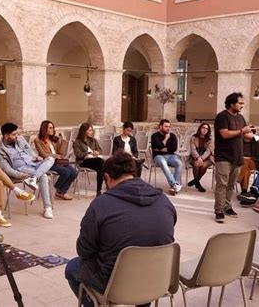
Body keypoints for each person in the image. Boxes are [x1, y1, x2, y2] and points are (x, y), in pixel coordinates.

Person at [64, 151, 176, 307]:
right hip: (158, 279)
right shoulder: (164, 201)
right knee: (148, 254)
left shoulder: (101, 205)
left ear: (108, 178)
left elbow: (84, 251)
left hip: (116, 286)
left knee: (73, 267)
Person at [0, 122, 55, 219]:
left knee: (51, 159)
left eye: (17, 134)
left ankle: (34, 178)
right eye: (14, 134)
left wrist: (35, 157)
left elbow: (30, 151)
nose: (17, 136)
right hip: (22, 169)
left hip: (34, 163)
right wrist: (20, 175)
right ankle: (48, 208)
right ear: (6, 136)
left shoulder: (20, 139)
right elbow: (7, 169)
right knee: (43, 176)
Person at [213, 92, 255, 223]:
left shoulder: (240, 118)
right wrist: (242, 131)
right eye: (240, 103)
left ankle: (227, 206)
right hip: (223, 156)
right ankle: (219, 210)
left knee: (231, 185)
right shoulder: (222, 117)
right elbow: (225, 134)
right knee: (222, 184)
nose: (242, 105)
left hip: (237, 156)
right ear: (231, 103)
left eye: (243, 103)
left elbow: (246, 136)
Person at [151, 119, 183, 194]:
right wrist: (166, 139)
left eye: (169, 126)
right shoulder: (154, 136)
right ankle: (174, 184)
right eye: (166, 126)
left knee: (179, 163)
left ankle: (174, 186)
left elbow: (174, 149)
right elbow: (157, 147)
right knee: (163, 163)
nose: (168, 128)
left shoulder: (173, 136)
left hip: (171, 156)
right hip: (158, 156)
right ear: (160, 126)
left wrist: (162, 148)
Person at [73, 123, 104, 196]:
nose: (91, 132)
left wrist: (97, 152)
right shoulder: (77, 142)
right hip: (83, 161)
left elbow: (99, 149)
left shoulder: (94, 140)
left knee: (100, 168)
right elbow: (78, 155)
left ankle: (98, 191)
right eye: (90, 130)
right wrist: (88, 153)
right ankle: (109, 187)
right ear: (84, 131)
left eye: (92, 130)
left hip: (94, 161)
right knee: (101, 162)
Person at [187, 123, 214, 192]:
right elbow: (193, 150)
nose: (205, 130)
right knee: (196, 164)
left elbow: (209, 151)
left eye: (207, 129)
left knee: (203, 166)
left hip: (207, 158)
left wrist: (202, 158)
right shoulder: (193, 138)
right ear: (200, 128)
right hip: (195, 157)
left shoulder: (210, 139)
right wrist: (198, 158)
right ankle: (197, 183)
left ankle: (195, 181)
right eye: (203, 128)